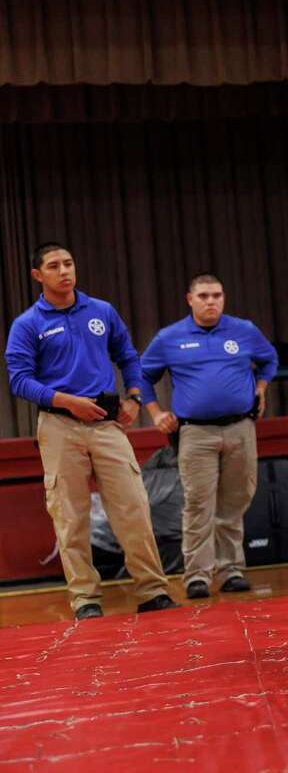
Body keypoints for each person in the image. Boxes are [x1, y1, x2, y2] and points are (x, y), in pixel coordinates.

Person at [4, 244, 178, 619]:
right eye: (54, 266)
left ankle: (152, 591)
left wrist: (134, 397)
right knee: (70, 516)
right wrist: (66, 400)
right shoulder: (28, 324)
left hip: (107, 425)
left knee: (133, 507)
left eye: (68, 263)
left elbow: (129, 356)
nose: (64, 271)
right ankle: (85, 599)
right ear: (38, 275)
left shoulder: (101, 311)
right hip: (59, 426)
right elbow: (19, 381)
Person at [140, 274, 278, 600]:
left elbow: (269, 359)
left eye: (216, 295)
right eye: (203, 296)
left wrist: (261, 387)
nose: (211, 301)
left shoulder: (243, 330)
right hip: (195, 432)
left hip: (241, 428)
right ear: (190, 299)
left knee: (234, 501)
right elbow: (142, 376)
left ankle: (231, 570)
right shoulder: (169, 337)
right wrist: (156, 413)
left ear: (224, 297)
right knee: (198, 504)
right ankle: (197, 576)